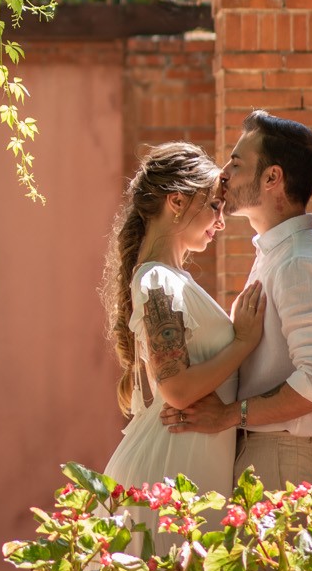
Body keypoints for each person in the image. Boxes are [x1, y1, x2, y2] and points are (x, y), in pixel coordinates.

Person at [161, 111, 312, 494]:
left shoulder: (300, 260)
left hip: (285, 454)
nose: (223, 174)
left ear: (271, 178)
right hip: (271, 451)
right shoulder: (278, 254)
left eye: (236, 162)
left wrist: (230, 415)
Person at [100, 142, 268, 526]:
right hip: (171, 466)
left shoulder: (170, 279)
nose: (220, 222)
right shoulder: (157, 280)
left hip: (189, 463)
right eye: (213, 206)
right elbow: (175, 388)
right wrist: (243, 342)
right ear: (176, 201)